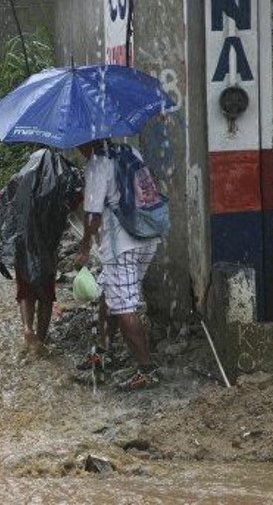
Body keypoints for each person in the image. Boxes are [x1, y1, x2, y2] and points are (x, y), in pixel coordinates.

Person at [74, 139, 161, 391]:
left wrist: (85, 247)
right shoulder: (129, 150)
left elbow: (92, 215)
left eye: (80, 144)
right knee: (108, 292)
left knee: (123, 306)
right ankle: (102, 352)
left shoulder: (97, 164)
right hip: (147, 236)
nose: (79, 149)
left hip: (121, 244)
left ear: (87, 140)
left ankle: (147, 370)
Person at [0, 149, 82, 357]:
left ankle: (27, 330)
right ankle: (41, 339)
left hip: (22, 247)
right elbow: (76, 199)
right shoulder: (58, 185)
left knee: (25, 290)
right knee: (46, 295)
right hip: (47, 248)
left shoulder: (18, 181)